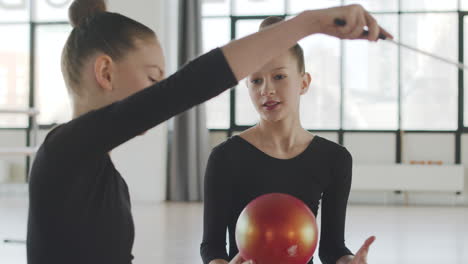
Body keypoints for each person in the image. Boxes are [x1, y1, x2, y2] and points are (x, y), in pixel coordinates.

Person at [26, 0, 392, 263]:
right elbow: (188, 87)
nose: (159, 93)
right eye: (154, 79)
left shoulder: (99, 175)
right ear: (105, 72)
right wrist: (310, 22)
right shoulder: (64, 151)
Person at [201, 16, 383, 264]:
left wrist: (349, 261)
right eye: (256, 80)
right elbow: (212, 247)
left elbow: (332, 248)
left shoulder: (334, 159)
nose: (267, 90)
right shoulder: (225, 157)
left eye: (279, 77)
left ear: (304, 82)